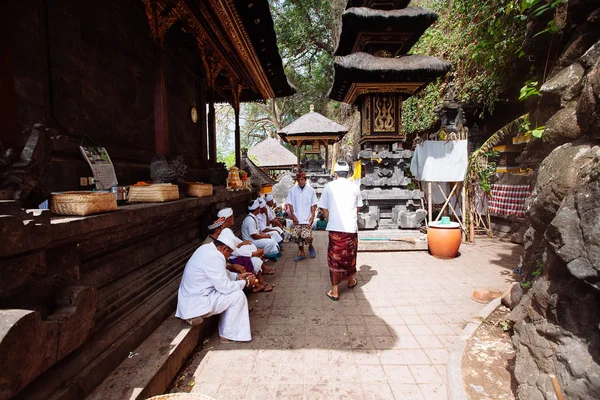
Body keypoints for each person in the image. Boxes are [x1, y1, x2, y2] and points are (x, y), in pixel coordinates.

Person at [175, 230, 259, 342]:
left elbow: (221, 273)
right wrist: (247, 282)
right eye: (230, 253)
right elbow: (225, 287)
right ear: (224, 249)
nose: (229, 256)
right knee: (238, 296)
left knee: (234, 292)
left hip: (192, 298)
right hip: (196, 301)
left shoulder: (206, 248)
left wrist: (238, 276)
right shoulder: (216, 256)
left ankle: (226, 329)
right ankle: (228, 334)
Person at [318, 161, 363, 301]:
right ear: (348, 173)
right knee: (350, 255)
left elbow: (323, 208)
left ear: (335, 173)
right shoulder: (354, 186)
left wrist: (330, 219)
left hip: (335, 228)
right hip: (350, 228)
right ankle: (350, 281)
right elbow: (358, 207)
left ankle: (335, 291)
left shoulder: (329, 186)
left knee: (335, 258)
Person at [203, 215, 274, 292]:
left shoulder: (219, 237)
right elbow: (218, 266)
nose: (223, 230)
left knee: (248, 259)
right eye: (221, 228)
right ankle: (253, 285)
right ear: (217, 231)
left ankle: (255, 283)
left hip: (226, 263)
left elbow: (231, 249)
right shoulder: (208, 245)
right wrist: (232, 266)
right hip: (217, 272)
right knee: (245, 261)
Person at [286, 170, 318, 262]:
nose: (300, 181)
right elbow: (290, 204)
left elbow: (313, 204)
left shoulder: (311, 190)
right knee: (297, 238)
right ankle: (302, 253)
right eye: (298, 180)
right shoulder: (292, 190)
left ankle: (311, 247)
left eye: (302, 179)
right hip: (297, 218)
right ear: (297, 180)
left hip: (307, 218)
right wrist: (293, 216)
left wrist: (312, 216)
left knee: (308, 237)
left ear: (305, 180)